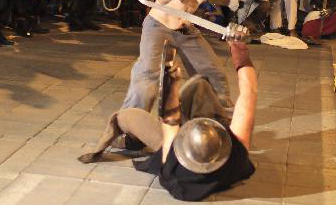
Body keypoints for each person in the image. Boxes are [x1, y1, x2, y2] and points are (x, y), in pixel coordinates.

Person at [79, 29, 255, 202]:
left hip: (172, 141)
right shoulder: (237, 158)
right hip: (201, 136)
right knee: (199, 84)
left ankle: (129, 141)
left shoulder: (176, 178)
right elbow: (249, 91)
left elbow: (169, 120)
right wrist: (238, 48)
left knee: (125, 116)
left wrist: (169, 72)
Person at [121, 0, 233, 117]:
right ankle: (130, 125)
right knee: (147, 74)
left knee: (214, 73)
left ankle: (220, 121)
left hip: (186, 29)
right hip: (158, 25)